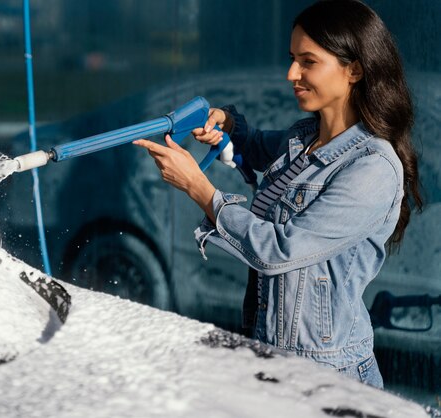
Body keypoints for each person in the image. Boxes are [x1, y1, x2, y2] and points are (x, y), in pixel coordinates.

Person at [134, 0, 423, 389]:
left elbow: (281, 252)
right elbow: (256, 146)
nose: (292, 73)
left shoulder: (372, 168)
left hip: (327, 377)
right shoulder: (304, 136)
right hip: (271, 357)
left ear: (354, 69)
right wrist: (229, 123)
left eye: (308, 61)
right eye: (292, 58)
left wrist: (200, 190)